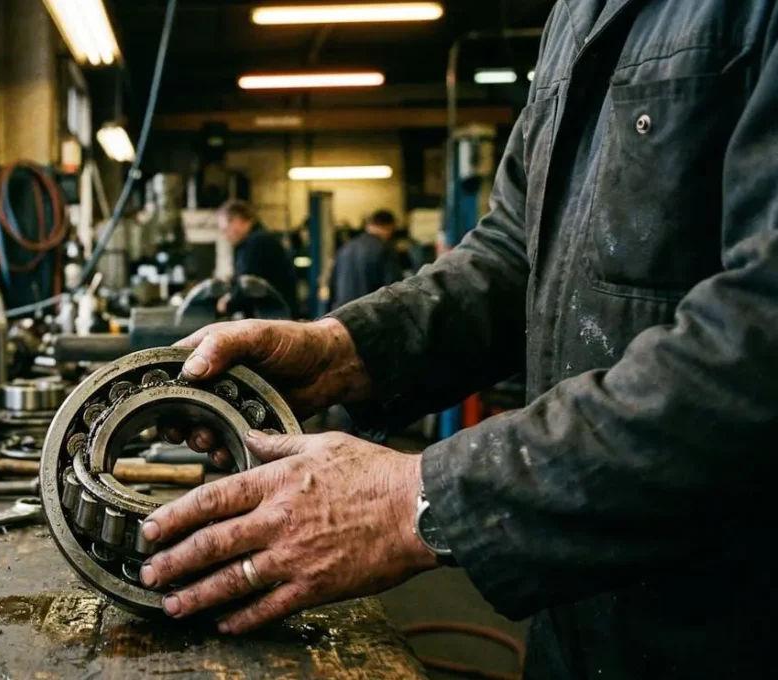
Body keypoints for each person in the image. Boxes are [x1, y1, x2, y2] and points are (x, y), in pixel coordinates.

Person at [140, 2, 778, 677]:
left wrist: (416, 498)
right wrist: (344, 349)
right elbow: (515, 255)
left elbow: (759, 342)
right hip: (585, 621)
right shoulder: (576, 14)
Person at [218, 199, 298, 317]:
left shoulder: (258, 243)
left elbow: (247, 285)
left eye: (225, 230)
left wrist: (228, 305)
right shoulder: (252, 243)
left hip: (276, 320)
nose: (225, 236)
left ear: (238, 221)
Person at [328, 209, 403, 311]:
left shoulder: (346, 247)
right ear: (389, 227)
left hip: (342, 314)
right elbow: (393, 288)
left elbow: (332, 284)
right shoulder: (385, 248)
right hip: (369, 315)